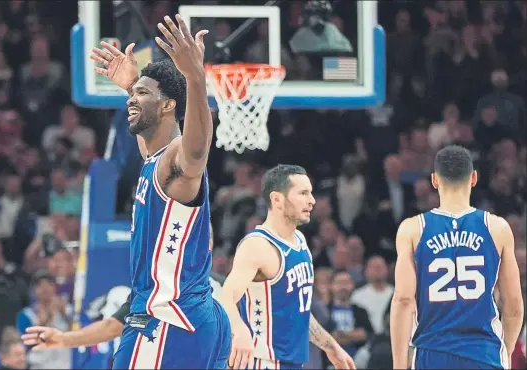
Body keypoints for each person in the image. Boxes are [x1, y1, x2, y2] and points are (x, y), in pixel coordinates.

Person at [89, 14, 228, 368]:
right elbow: (149, 140)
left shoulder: (179, 158)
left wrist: (195, 77)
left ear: (168, 105)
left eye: (142, 95)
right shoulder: (154, 158)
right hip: (191, 314)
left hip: (167, 318)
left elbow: (199, 148)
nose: (130, 100)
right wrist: (132, 83)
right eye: (132, 95)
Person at [391, 145, 524, 369]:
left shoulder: (413, 229)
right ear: (473, 178)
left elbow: (403, 300)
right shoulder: (496, 228)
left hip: (431, 353)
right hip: (484, 353)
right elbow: (514, 305)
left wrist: (398, 364)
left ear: (434, 180)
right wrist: (506, 351)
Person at [219, 164, 355, 370]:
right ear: (277, 199)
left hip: (292, 362)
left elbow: (299, 311)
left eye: (310, 192)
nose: (312, 200)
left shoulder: (300, 241)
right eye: (303, 193)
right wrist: (239, 331)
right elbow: (226, 298)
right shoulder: (258, 245)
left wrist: (331, 346)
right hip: (262, 362)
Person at [21, 231, 224, 351]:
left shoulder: (225, 288)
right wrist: (65, 339)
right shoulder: (152, 288)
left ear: (209, 244)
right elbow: (113, 326)